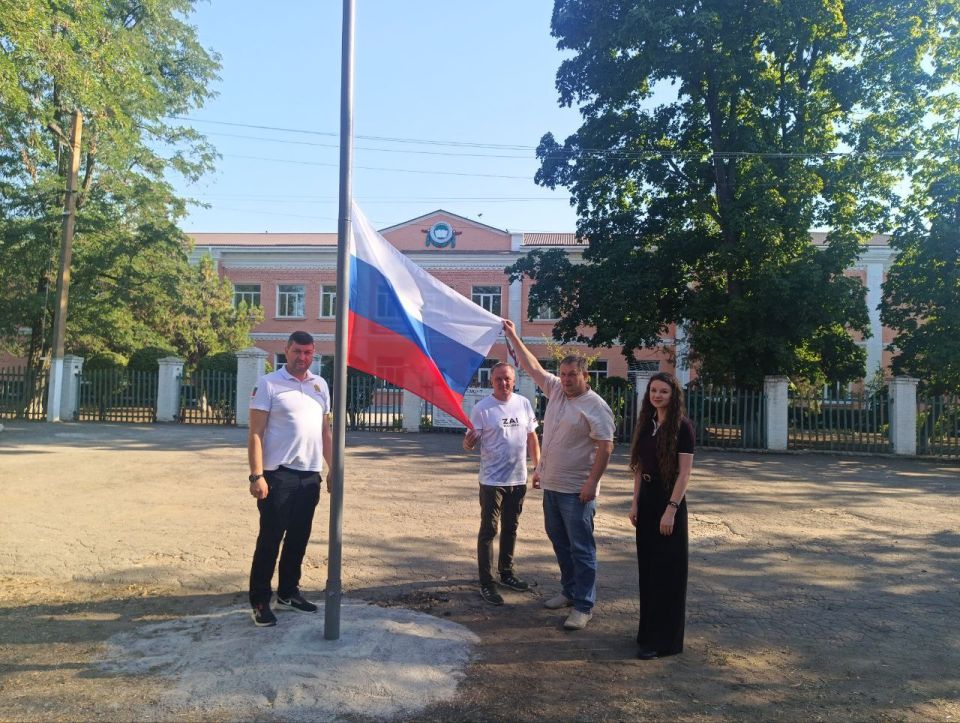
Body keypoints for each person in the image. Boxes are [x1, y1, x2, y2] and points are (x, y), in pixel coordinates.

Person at [501, 319, 615, 630]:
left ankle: (584, 605)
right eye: (563, 374)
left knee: (581, 547)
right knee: (560, 542)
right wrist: (512, 335)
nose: (565, 379)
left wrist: (592, 483)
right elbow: (533, 365)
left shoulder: (596, 406)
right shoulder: (557, 392)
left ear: (585, 375)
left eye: (572, 375)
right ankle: (569, 591)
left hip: (577, 490)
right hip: (551, 485)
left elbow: (606, 448)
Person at [247, 331, 333, 627]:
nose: (302, 358)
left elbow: (326, 433)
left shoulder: (319, 385)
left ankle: (288, 593)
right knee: (270, 540)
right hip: (277, 476)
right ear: (286, 351)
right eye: (297, 351)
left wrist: (332, 468)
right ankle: (260, 600)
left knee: (298, 538)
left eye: (308, 352)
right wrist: (257, 475)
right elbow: (256, 433)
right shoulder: (269, 384)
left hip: (310, 476)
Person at [628, 372, 695, 659]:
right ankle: (648, 633)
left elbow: (684, 474)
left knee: (668, 572)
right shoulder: (647, 424)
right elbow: (640, 467)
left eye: (663, 391)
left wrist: (671, 510)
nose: (657, 395)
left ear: (673, 395)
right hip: (647, 500)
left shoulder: (683, 427)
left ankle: (664, 641)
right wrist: (635, 503)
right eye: (653, 391)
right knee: (649, 570)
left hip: (669, 502)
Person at [463, 362, 540, 606]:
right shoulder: (482, 409)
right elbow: (469, 444)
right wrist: (468, 442)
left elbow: (531, 437)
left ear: (514, 380)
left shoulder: (524, 403)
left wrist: (538, 466)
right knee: (489, 530)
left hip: (518, 478)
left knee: (511, 528)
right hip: (491, 481)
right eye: (498, 379)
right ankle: (487, 582)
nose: (503, 383)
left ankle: (506, 573)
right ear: (491, 382)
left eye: (507, 378)